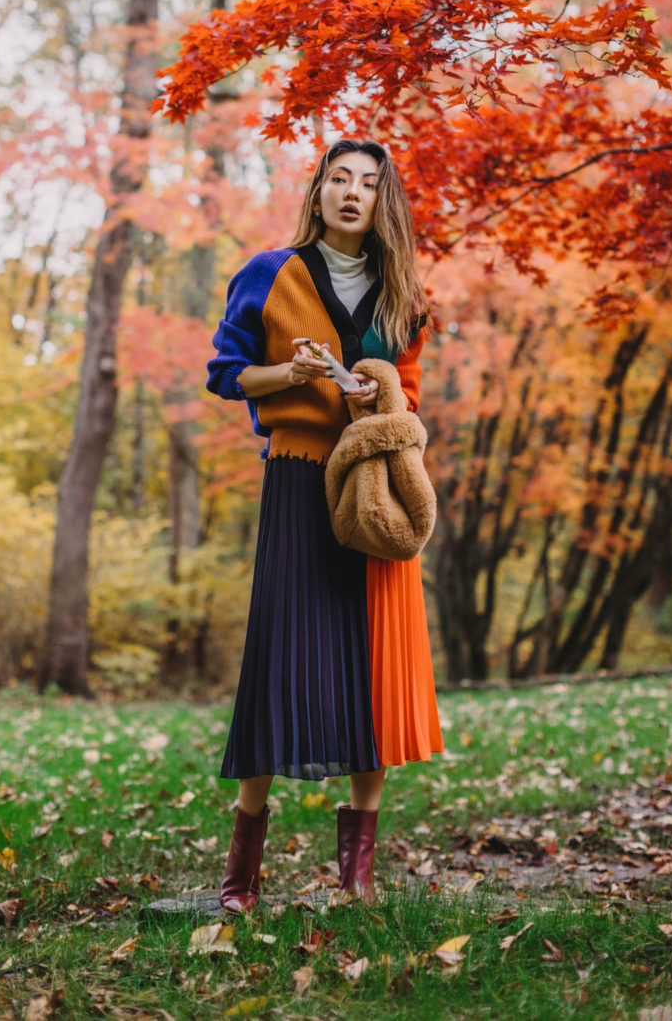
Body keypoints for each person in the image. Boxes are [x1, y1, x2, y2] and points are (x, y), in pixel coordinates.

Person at [206, 138, 443, 911]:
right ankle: (242, 876)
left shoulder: (402, 292)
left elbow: (405, 393)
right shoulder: (270, 272)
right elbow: (226, 371)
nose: (352, 193)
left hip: (374, 489)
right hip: (301, 478)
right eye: (338, 178)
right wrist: (293, 375)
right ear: (318, 193)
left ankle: (358, 875)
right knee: (281, 660)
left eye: (368, 183)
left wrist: (379, 398)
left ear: (384, 202)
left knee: (372, 666)